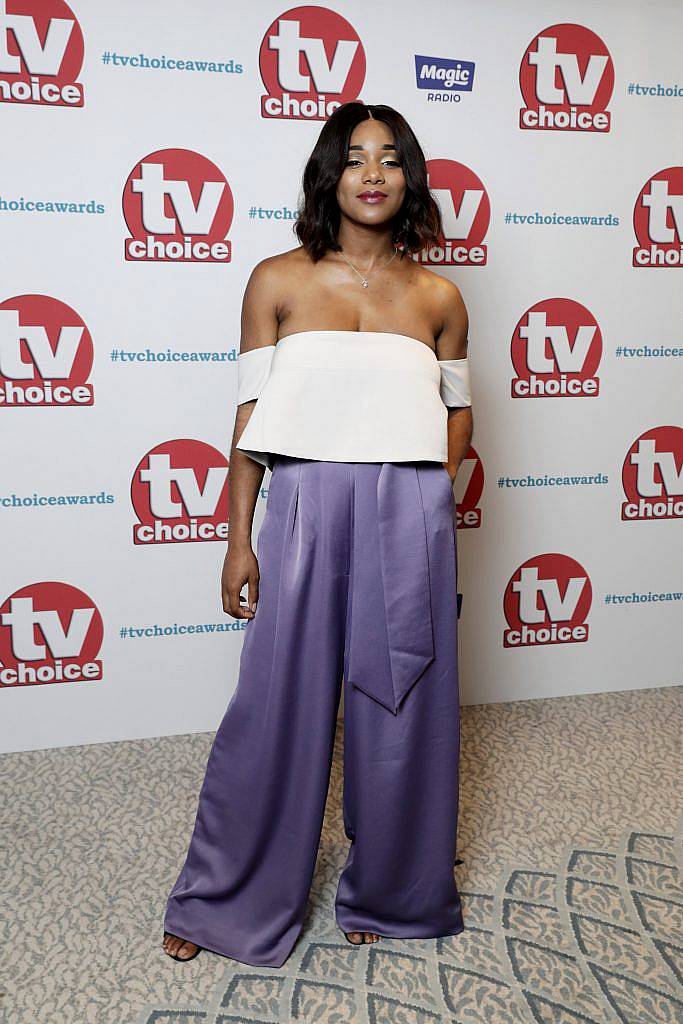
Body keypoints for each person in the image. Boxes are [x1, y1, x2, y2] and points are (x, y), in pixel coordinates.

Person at [162, 101, 473, 967]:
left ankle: (394, 893)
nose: (372, 172)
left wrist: (425, 501)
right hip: (301, 498)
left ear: (408, 177)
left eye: (390, 158)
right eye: (353, 157)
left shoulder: (439, 295)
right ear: (329, 175)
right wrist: (239, 536)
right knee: (275, 706)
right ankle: (227, 901)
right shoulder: (277, 280)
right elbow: (250, 417)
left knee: (401, 702)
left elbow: (460, 417)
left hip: (407, 504)